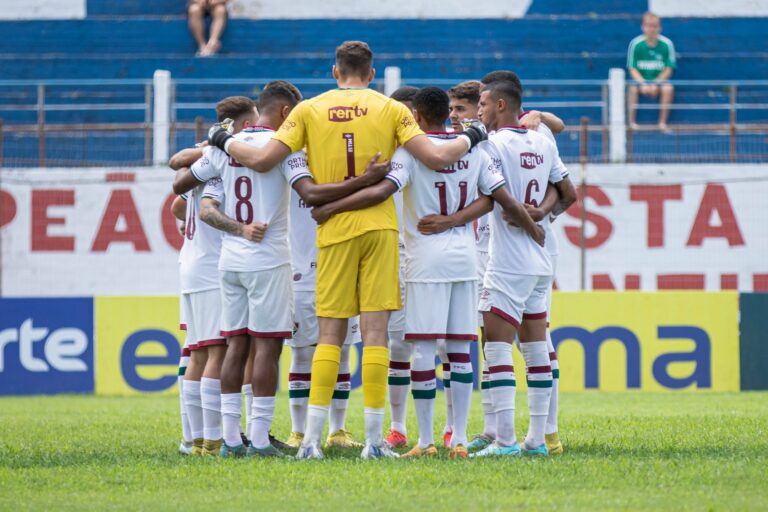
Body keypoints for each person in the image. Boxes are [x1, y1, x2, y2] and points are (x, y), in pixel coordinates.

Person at [205, 40, 489, 460]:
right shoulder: (390, 109)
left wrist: (220, 141)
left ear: (335, 73)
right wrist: (474, 134)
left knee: (330, 337)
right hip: (379, 228)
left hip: (334, 233)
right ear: (372, 74)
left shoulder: (308, 110)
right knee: (375, 336)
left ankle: (313, 441)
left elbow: (263, 159)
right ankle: (374, 442)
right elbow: (435, 154)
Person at [309, 86, 545, 458]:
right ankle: (462, 439)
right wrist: (461, 220)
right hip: (466, 259)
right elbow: (494, 198)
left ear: (416, 117)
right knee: (459, 350)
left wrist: (330, 209)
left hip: (425, 261)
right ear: (443, 114)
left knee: (420, 350)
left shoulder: (410, 153)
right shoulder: (474, 148)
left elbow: (381, 192)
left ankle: (424, 441)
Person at [471, 80, 575, 458]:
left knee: (496, 348)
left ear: (501, 104)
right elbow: (569, 193)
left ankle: (505, 441)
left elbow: (498, 198)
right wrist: (543, 214)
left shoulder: (492, 145)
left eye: (482, 104)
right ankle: (537, 441)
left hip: (507, 261)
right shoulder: (543, 142)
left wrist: (530, 223)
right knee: (535, 352)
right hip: (540, 263)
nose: (478, 111)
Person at [384, 85, 419, 450]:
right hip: (386, 254)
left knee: (438, 346)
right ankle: (396, 426)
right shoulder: (379, 151)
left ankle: (447, 429)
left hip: (424, 256)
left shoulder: (430, 150)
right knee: (395, 345)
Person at [627, 11, 677, 130]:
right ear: (643, 27)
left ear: (660, 28)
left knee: (668, 88)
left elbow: (669, 69)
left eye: (654, 26)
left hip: (659, 82)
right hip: (640, 82)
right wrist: (643, 83)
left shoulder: (667, 44)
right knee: (632, 88)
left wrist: (656, 83)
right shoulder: (635, 44)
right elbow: (632, 68)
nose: (651, 29)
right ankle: (631, 123)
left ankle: (662, 123)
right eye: (648, 26)